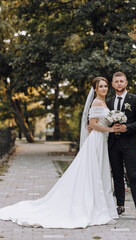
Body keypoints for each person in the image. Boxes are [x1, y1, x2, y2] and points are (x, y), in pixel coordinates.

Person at [0, 77, 118, 229]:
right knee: (93, 172)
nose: (104, 88)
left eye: (105, 86)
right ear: (95, 89)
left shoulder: (104, 103)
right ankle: (94, 206)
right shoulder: (96, 102)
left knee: (99, 172)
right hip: (96, 141)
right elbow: (93, 124)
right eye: (100, 86)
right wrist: (110, 129)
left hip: (102, 141)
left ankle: (103, 206)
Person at [107, 71, 136, 222]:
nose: (119, 83)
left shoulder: (135, 99)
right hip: (113, 144)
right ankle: (120, 205)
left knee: (132, 176)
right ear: (113, 84)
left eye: (121, 81)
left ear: (126, 83)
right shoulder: (109, 102)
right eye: (116, 81)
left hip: (130, 143)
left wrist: (128, 127)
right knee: (117, 175)